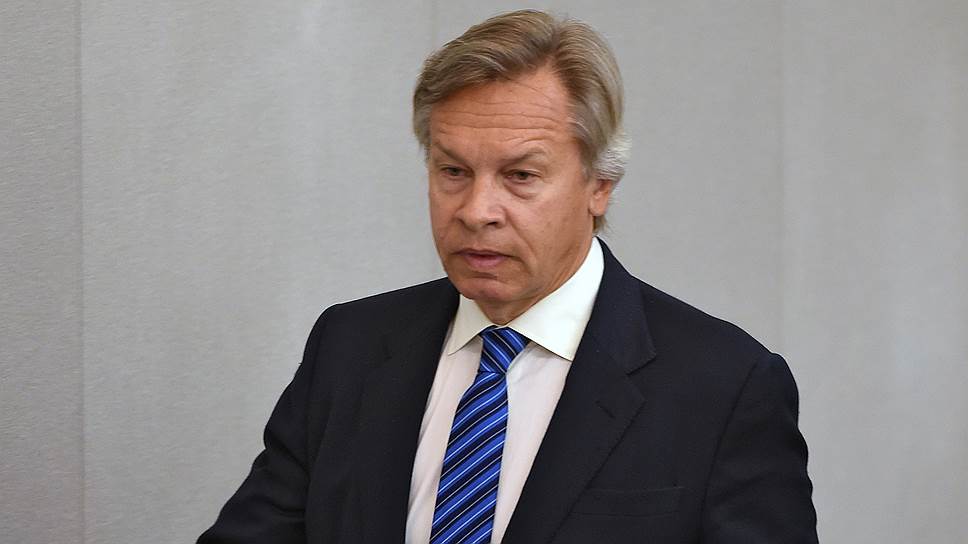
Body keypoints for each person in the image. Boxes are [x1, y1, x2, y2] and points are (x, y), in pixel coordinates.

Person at [198, 9, 817, 544]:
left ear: (600, 184)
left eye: (520, 176)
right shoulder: (350, 347)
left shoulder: (724, 387)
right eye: (453, 171)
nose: (476, 211)